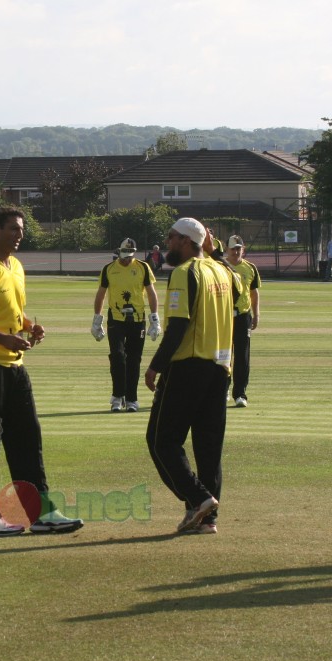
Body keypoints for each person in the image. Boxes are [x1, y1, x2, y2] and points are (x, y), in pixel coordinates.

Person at [0, 206, 84, 537]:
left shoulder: (16, 267)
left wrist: (28, 327)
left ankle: (42, 514)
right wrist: (3, 338)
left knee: (28, 439)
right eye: (13, 229)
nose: (20, 234)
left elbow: (11, 312)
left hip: (14, 367)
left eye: (21, 229)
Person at [145, 217, 239, 535]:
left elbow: (178, 327)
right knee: (208, 447)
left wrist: (155, 364)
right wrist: (215, 253)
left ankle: (199, 499)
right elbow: (240, 298)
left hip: (188, 366)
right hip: (220, 369)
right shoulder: (223, 271)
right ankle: (207, 520)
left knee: (162, 441)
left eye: (171, 237)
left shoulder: (185, 273)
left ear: (186, 241)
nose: (168, 243)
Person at [91, 238, 161, 413]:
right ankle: (117, 396)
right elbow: (101, 294)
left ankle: (131, 399)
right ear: (118, 252)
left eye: (130, 255)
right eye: (124, 255)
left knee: (134, 360)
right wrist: (96, 320)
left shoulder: (143, 267)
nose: (127, 259)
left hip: (137, 320)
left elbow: (152, 294)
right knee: (117, 357)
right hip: (116, 319)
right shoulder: (109, 269)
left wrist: (154, 319)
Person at [225, 235, 261, 408]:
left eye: (239, 248)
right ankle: (223, 388)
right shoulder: (220, 266)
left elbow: (253, 293)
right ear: (227, 250)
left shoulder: (250, 268)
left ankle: (240, 393)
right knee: (223, 354)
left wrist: (256, 314)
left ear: (243, 249)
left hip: (243, 315)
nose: (236, 251)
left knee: (242, 355)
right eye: (233, 248)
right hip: (223, 315)